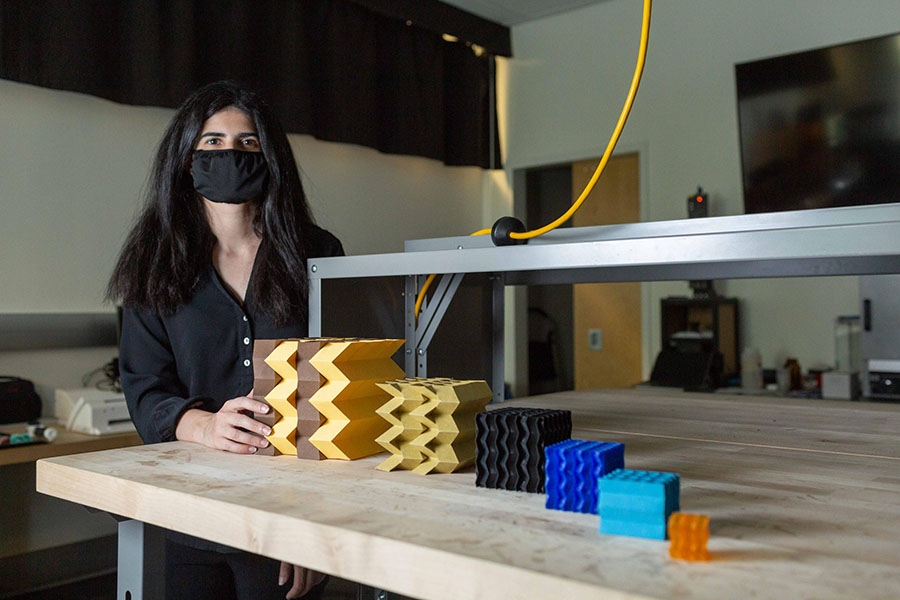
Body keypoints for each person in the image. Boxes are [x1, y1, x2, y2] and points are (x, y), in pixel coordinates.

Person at [106, 80, 344, 600]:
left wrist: (311, 527)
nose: (229, 153)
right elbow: (144, 387)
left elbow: (336, 392)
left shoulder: (318, 252)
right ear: (186, 156)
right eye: (212, 142)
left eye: (247, 142)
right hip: (189, 510)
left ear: (269, 157)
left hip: (285, 513)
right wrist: (207, 425)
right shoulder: (153, 261)